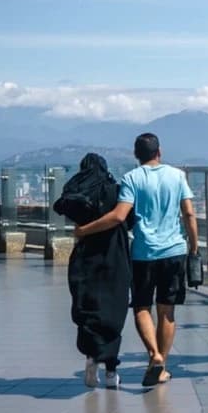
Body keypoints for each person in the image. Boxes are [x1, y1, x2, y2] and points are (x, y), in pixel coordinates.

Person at [75, 133, 198, 387]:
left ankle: (154, 354)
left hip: (143, 253)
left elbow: (119, 216)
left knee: (142, 308)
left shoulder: (131, 178)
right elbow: (188, 213)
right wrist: (194, 246)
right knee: (167, 310)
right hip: (174, 251)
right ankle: (161, 365)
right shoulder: (177, 176)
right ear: (159, 152)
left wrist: (84, 230)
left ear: (136, 155)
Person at [56, 153, 132, 389]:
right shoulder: (115, 191)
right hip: (114, 257)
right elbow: (129, 219)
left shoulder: (79, 192)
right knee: (113, 312)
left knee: (89, 309)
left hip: (86, 257)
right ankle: (111, 371)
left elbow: (67, 211)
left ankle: (91, 356)